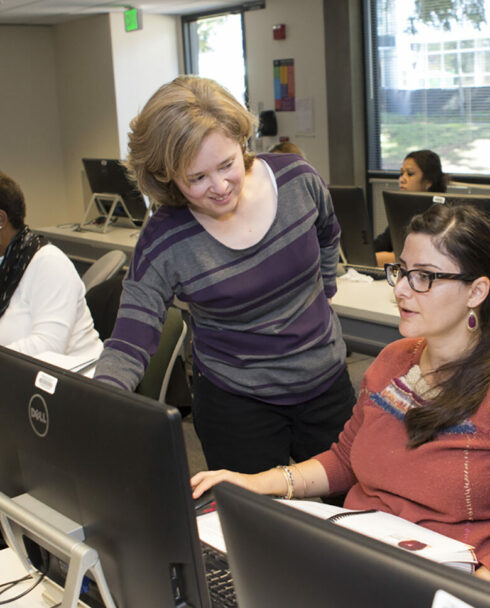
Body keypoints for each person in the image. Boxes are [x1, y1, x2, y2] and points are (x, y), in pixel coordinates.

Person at [192, 204, 490, 589]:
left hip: (450, 582)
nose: (401, 289)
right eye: (401, 271)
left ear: (476, 291)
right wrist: (260, 482)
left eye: (424, 277)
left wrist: (471, 601)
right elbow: (346, 459)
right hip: (360, 559)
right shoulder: (394, 361)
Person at [94, 76, 356, 474]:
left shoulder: (297, 180)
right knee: (254, 526)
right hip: (237, 404)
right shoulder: (164, 240)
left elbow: (327, 232)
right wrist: (98, 400)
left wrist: (326, 291)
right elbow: (132, 335)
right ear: (167, 177)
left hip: (324, 382)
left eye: (226, 165)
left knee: (349, 515)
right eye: (196, 178)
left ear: (242, 141)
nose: (218, 187)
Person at [0, 170, 103, 360]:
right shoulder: (5, 262)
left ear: (1, 219)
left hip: (70, 379)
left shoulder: (48, 263)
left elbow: (48, 347)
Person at [374, 149, 449, 265]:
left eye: (410, 174)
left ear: (428, 181)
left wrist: (390, 257)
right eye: (401, 173)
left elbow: (428, 256)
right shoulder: (405, 209)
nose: (402, 179)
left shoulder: (442, 215)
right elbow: (381, 244)